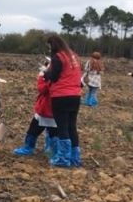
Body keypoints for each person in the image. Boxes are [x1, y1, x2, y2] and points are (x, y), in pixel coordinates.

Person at [43, 35, 83, 168]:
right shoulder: (74, 56)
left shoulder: (58, 57)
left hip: (61, 95)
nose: (49, 49)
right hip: (75, 96)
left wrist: (45, 73)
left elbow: (54, 77)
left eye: (49, 46)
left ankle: (63, 158)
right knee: (72, 126)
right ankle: (74, 157)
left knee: (62, 127)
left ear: (53, 45)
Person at [14, 60, 58, 157]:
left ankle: (29, 148)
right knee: (54, 131)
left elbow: (42, 89)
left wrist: (41, 77)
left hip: (45, 108)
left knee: (33, 130)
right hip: (57, 109)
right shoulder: (63, 77)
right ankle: (53, 150)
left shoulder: (50, 79)